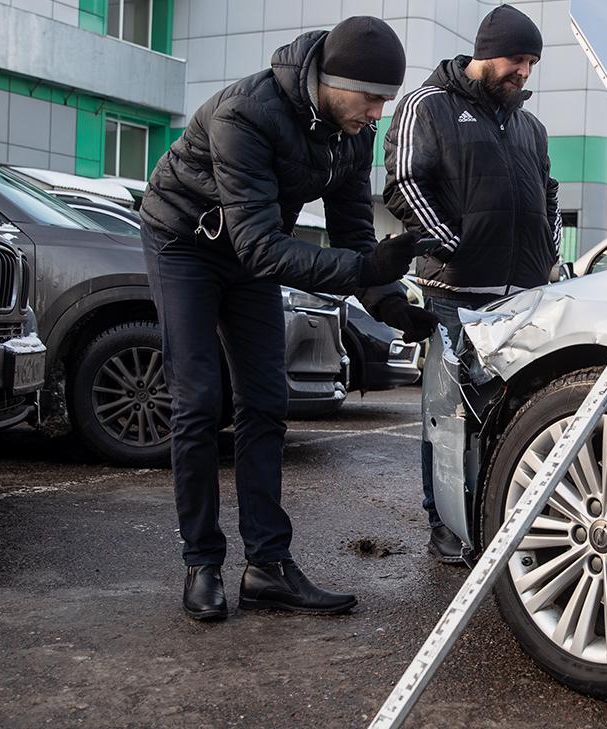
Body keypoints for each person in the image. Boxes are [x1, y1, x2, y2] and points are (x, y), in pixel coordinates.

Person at [139, 16, 438, 621]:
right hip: (186, 244)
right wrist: (360, 270)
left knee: (267, 402)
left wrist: (387, 303)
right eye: (372, 98)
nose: (378, 113)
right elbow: (260, 245)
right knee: (198, 402)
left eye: (387, 101)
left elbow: (354, 234)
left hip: (250, 248)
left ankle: (268, 566)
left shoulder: (350, 133)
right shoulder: (244, 112)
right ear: (332, 79)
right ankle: (202, 564)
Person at [383, 4, 562, 564]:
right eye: (517, 59)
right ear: (487, 54)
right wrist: (452, 244)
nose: (525, 72)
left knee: (516, 416)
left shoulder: (530, 125)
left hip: (523, 295)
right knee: (450, 419)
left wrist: (550, 257)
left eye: (532, 62)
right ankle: (447, 527)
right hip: (454, 296)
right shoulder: (425, 106)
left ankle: (501, 521)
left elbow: (549, 196)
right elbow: (404, 184)